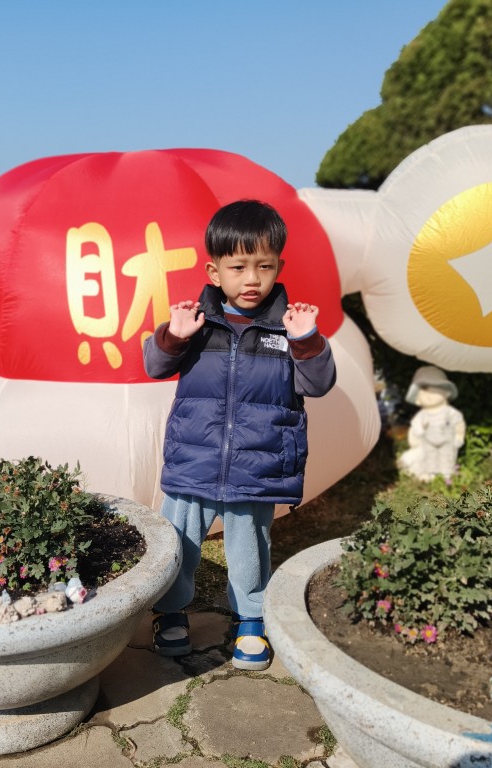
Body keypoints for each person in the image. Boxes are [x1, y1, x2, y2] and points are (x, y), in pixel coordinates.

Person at [143, 199, 337, 670]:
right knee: (180, 541)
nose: (252, 279)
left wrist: (307, 340)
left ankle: (251, 617)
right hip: (194, 459)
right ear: (214, 272)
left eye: (264, 266)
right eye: (238, 267)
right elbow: (154, 365)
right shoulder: (197, 323)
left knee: (249, 545)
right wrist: (173, 335)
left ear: (279, 268)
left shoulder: (289, 328)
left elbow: (318, 384)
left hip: (259, 462)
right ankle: (170, 611)